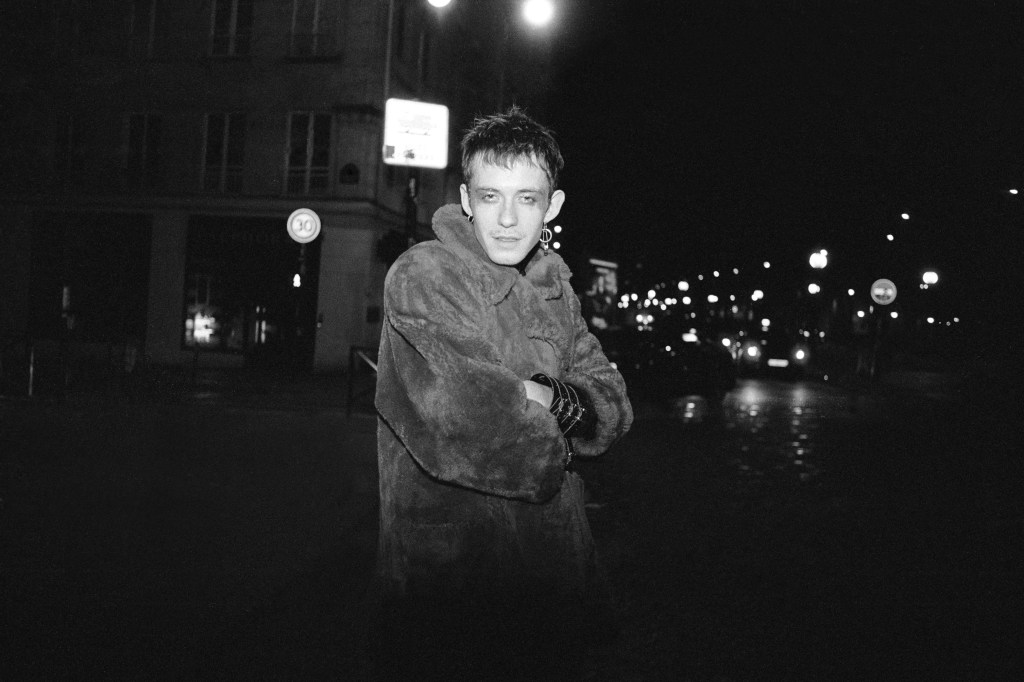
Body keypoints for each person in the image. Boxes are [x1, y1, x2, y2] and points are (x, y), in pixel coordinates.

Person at [372, 107, 633, 674]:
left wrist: (546, 398)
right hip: (453, 583)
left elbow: (613, 405)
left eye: (527, 199)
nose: (508, 219)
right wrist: (560, 423)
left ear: (552, 206)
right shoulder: (426, 274)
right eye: (491, 197)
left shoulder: (555, 289)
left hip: (554, 576)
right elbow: (473, 425)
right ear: (466, 199)